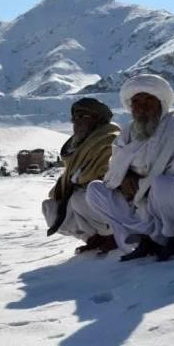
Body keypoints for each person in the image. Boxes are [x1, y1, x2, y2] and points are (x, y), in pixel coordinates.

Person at [86, 74, 174, 261]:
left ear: (161, 102)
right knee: (95, 190)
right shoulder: (128, 133)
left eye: (148, 99)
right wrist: (125, 177)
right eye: (136, 101)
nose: (142, 107)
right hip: (140, 201)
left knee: (162, 183)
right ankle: (146, 237)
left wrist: (138, 183)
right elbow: (114, 171)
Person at [42, 98, 121, 253]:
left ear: (98, 119)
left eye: (84, 116)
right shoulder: (80, 146)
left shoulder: (110, 138)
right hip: (84, 194)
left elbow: (107, 172)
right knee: (50, 208)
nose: (77, 121)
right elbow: (72, 176)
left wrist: (79, 180)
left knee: (80, 198)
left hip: (112, 197)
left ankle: (113, 235)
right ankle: (93, 238)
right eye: (75, 117)